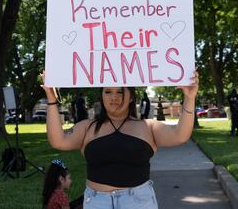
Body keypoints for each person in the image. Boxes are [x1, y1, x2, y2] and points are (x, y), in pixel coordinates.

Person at [40, 70, 198, 209]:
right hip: (96, 202)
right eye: (108, 92)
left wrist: (189, 98)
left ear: (131, 97)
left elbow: (180, 136)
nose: (114, 97)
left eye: (120, 91)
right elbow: (58, 141)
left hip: (138, 202)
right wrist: (51, 99)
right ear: (102, 96)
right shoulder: (87, 127)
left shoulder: (148, 127)